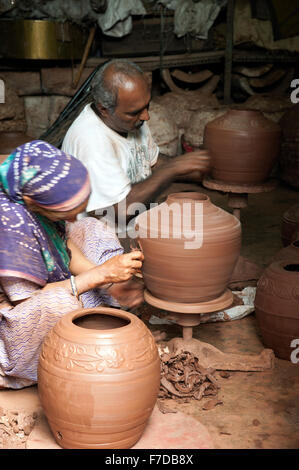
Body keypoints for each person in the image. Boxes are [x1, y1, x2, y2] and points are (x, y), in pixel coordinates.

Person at [0, 140, 144, 389]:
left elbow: (63, 242)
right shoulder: (10, 226)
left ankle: (99, 315)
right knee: (60, 306)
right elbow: (30, 302)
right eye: (66, 212)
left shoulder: (26, 177)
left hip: (41, 282)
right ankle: (29, 366)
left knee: (91, 228)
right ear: (31, 202)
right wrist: (100, 275)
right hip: (12, 316)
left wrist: (109, 282)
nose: (72, 218)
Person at [62, 59, 211, 233]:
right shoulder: (90, 140)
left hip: (136, 225)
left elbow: (151, 162)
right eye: (135, 112)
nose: (146, 116)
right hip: (103, 241)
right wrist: (173, 169)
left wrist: (200, 170)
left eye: (146, 106)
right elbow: (120, 212)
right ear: (104, 109)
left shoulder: (131, 119)